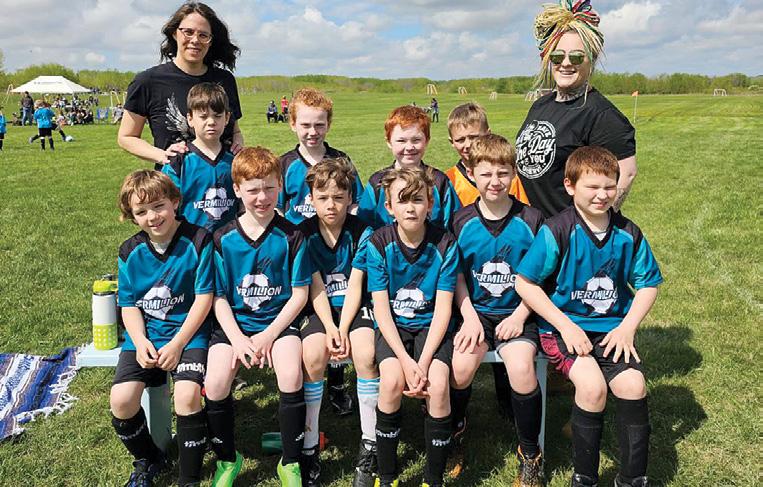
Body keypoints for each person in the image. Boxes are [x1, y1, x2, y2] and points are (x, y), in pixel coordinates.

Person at [516, 146, 663, 487]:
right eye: (592, 187)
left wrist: (627, 328)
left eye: (609, 186)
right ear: (570, 186)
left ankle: (632, 479)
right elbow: (525, 283)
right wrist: (565, 326)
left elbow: (648, 285)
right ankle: (584, 478)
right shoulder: (557, 230)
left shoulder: (628, 233)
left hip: (613, 331)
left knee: (634, 385)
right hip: (564, 329)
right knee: (593, 388)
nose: (602, 195)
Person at [205, 146, 313, 486]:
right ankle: (227, 459)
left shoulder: (293, 235)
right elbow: (218, 297)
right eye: (253, 190)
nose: (262, 197)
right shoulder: (222, 238)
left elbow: (299, 295)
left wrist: (268, 336)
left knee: (291, 375)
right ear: (237, 190)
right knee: (216, 382)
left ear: (280, 185)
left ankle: (291, 462)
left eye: (269, 188)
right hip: (233, 327)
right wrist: (238, 339)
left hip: (278, 325)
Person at [447, 135, 545, 485]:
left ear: (513, 174)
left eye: (503, 173)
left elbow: (541, 276)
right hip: (474, 313)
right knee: (460, 369)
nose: (495, 181)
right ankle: (455, 435)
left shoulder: (532, 219)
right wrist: (469, 317)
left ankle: (530, 454)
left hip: (519, 312)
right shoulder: (460, 221)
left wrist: (519, 316)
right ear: (472, 174)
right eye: (486, 174)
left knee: (521, 368)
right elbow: (456, 276)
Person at [110, 170, 214, 487]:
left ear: (175, 202)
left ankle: (189, 478)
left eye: (159, 206)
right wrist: (140, 340)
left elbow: (204, 298)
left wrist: (179, 343)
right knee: (122, 400)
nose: (153, 217)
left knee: (187, 395)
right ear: (131, 216)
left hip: (190, 334)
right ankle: (150, 459)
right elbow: (129, 304)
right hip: (147, 335)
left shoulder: (199, 240)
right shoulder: (129, 251)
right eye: (142, 211)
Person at [366, 167, 458, 487]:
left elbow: (444, 308)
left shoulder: (445, 243)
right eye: (402, 201)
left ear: (430, 204)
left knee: (437, 384)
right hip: (394, 327)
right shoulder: (379, 243)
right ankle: (387, 476)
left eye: (417, 200)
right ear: (389, 207)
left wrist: (423, 361)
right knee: (391, 381)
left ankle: (433, 479)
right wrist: (406, 362)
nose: (410, 208)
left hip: (432, 326)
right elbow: (381, 309)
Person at [278, 87, 365, 415]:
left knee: (340, 304)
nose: (312, 131)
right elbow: (279, 209)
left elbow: (354, 204)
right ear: (293, 124)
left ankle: (338, 384)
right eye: (305, 125)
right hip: (302, 253)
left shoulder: (341, 161)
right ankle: (304, 380)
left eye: (319, 124)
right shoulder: (285, 164)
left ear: (328, 124)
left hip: (336, 247)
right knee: (313, 317)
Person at [515, 0, 636, 218]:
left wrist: (591, 224)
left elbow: (626, 174)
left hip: (571, 233)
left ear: (592, 59)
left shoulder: (602, 115)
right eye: (557, 56)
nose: (566, 63)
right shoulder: (540, 105)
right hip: (534, 227)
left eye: (577, 57)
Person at [298, 158, 376, 486]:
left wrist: (343, 329)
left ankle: (370, 444)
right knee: (313, 354)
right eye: (323, 197)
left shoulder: (363, 231)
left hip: (354, 309)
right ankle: (309, 444)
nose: (331, 205)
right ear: (311, 199)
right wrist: (330, 328)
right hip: (320, 309)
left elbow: (356, 284)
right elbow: (315, 286)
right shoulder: (303, 234)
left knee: (366, 353)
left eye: (338, 197)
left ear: (350, 198)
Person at [118, 2, 244, 167]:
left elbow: (234, 130)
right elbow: (126, 137)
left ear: (210, 41)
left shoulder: (225, 80)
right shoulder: (148, 81)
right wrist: (163, 156)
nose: (195, 40)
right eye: (188, 32)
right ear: (174, 33)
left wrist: (238, 141)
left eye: (203, 35)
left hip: (224, 177)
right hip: (175, 179)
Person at [357, 105, 460, 230]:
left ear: (427, 141)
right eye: (401, 141)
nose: (409, 147)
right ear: (389, 142)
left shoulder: (439, 182)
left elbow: (455, 226)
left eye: (416, 140)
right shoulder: (377, 183)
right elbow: (362, 228)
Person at [162, 82, 236, 232]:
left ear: (227, 118)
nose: (211, 122)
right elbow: (164, 206)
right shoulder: (178, 162)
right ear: (190, 119)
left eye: (217, 116)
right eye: (203, 116)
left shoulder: (236, 158)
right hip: (191, 241)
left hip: (229, 241)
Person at [446, 102, 528, 207]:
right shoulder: (449, 180)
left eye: (474, 137)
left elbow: (523, 212)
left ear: (488, 133)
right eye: (460, 140)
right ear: (452, 142)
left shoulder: (506, 175)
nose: (468, 145)